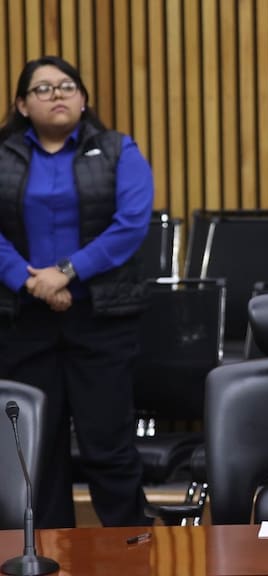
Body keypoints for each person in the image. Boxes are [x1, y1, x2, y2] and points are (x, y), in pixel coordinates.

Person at [0, 56, 154, 528]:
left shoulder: (116, 149)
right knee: (33, 454)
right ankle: (41, 554)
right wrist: (32, 282)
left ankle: (128, 557)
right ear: (23, 105)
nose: (57, 95)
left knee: (108, 447)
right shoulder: (2, 155)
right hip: (23, 321)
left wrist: (65, 273)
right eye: (43, 89)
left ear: (84, 98)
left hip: (101, 321)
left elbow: (131, 224)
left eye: (67, 86)